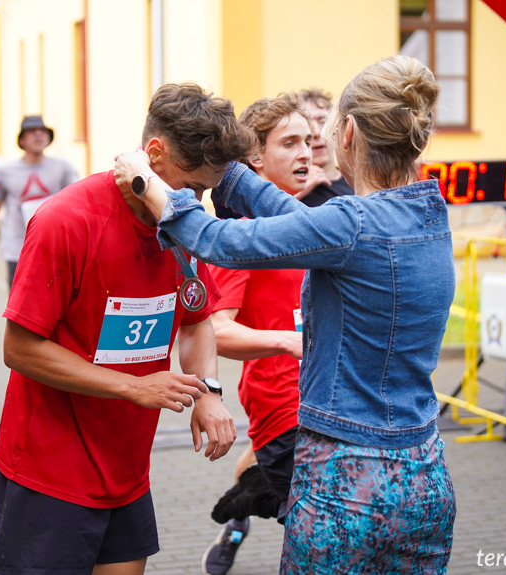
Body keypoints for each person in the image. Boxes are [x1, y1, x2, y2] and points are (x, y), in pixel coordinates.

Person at [115, 55, 456, 573]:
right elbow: (308, 225)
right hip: (425, 477)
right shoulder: (428, 216)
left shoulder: (350, 224)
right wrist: (229, 169)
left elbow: (215, 239)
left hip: (347, 482)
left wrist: (146, 182)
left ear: (345, 133)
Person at [0, 83, 252, 575]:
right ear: (154, 154)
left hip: (127, 470)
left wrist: (208, 392)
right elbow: (20, 348)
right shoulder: (66, 221)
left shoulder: (181, 226)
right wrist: (133, 386)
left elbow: (196, 321)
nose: (197, 203)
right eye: (192, 188)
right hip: (49, 472)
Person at [200, 93, 310, 575]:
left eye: (310, 141)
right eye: (290, 143)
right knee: (317, 532)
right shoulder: (244, 231)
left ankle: (251, 496)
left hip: (327, 401)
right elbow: (216, 331)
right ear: (255, 159)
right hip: (281, 402)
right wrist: (287, 342)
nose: (306, 152)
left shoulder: (318, 223)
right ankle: (251, 501)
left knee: (326, 528)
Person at [0, 116, 79, 288]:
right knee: (19, 312)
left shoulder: (63, 167)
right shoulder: (4, 171)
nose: (38, 134)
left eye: (43, 130)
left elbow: (79, 205)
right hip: (18, 250)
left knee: (57, 309)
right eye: (32, 131)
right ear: (22, 140)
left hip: (54, 249)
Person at [296, 87, 355, 206]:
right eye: (306, 122)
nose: (316, 132)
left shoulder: (356, 183)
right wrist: (297, 194)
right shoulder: (281, 188)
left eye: (322, 120)